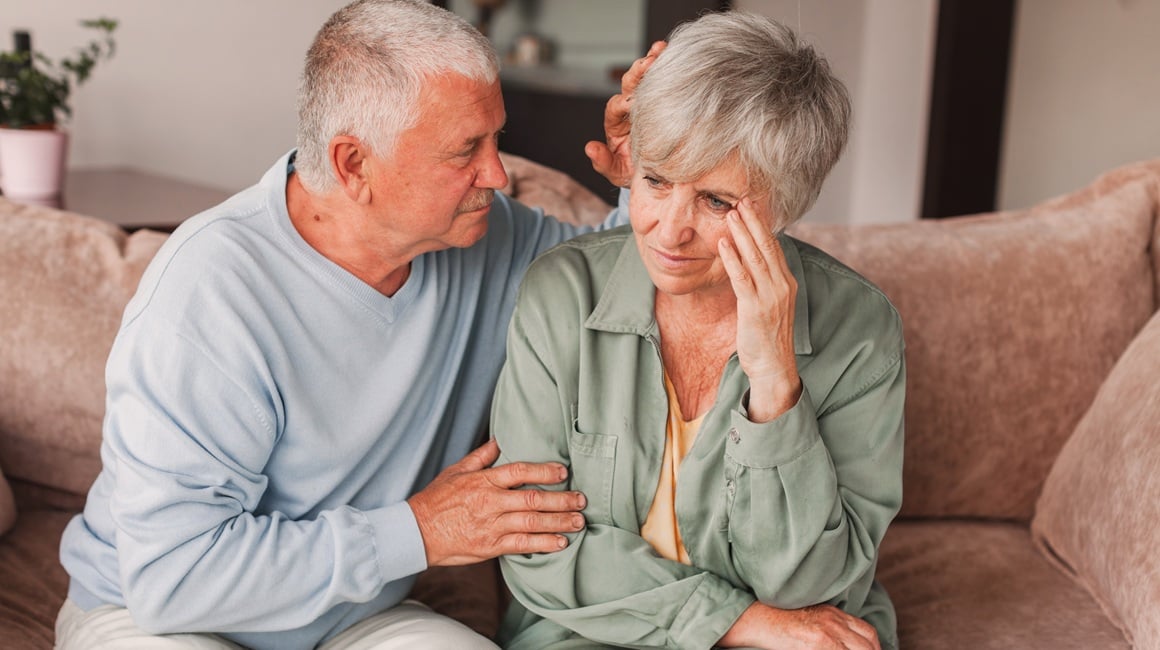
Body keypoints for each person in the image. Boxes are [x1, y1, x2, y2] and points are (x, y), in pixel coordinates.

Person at [55, 1, 659, 648]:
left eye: (496, 140)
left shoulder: (487, 237)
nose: (498, 174)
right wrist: (421, 532)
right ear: (353, 164)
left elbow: (618, 280)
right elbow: (173, 579)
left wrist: (647, 174)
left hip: (352, 613)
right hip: (163, 619)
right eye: (465, 151)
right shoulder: (208, 293)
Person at [492, 11, 904, 650]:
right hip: (589, 635)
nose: (668, 229)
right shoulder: (560, 297)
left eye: (716, 201)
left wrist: (773, 387)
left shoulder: (860, 331)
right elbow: (538, 548)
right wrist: (740, 622)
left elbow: (811, 587)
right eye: (655, 181)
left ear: (788, 203)